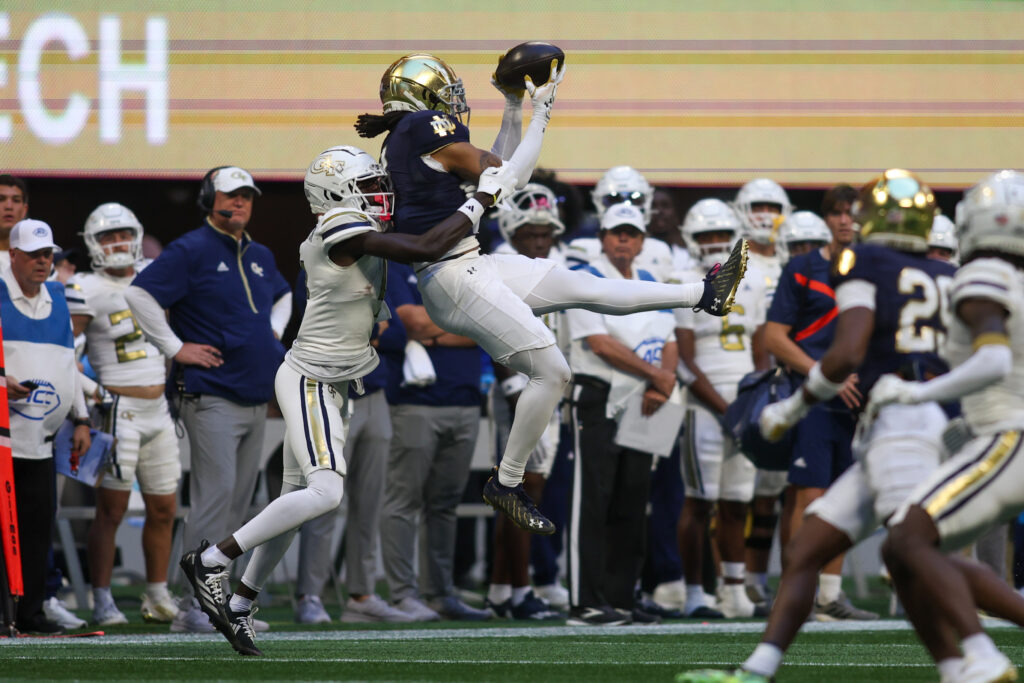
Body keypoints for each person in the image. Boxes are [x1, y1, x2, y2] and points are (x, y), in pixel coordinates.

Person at [355, 53, 747, 534]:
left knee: (583, 285)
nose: (454, 104)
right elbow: (511, 177)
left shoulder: (407, 136)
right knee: (553, 372)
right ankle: (508, 480)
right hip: (454, 275)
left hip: (471, 262)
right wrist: (541, 111)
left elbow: (496, 171)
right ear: (425, 96)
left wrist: (511, 108)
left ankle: (703, 294)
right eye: (447, 93)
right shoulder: (421, 126)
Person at [179, 149, 517, 655]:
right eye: (369, 183)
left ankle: (243, 603)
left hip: (336, 383)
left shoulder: (363, 228)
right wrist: (480, 200)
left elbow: (422, 230)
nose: (380, 191)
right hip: (310, 379)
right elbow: (423, 243)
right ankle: (211, 561)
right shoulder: (338, 229)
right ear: (336, 193)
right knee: (326, 493)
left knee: (294, 505)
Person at [677, 169, 975, 683]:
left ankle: (975, 657)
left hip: (894, 417)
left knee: (910, 548)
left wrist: (790, 409)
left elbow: (847, 352)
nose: (845, 222)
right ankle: (760, 667)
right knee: (821, 544)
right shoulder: (949, 274)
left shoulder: (867, 263)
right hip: (917, 415)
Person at [124, 166, 292, 633]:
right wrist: (176, 348)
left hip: (253, 395)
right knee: (214, 501)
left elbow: (284, 294)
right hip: (212, 394)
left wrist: (272, 332)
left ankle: (220, 604)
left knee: (239, 504)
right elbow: (139, 295)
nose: (239, 204)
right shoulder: (190, 249)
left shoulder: (256, 253)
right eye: (230, 196)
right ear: (209, 199)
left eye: (246, 197)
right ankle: (193, 607)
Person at [875, 170, 1024, 683]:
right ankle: (956, 665)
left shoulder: (987, 274)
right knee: (906, 545)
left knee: (908, 541)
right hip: (1004, 437)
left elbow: (994, 363)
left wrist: (917, 391)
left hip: (1007, 436)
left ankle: (978, 654)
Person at [759, 182, 875, 621]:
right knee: (809, 496)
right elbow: (774, 337)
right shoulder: (802, 267)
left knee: (849, 497)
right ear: (826, 219)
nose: (845, 220)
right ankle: (796, 595)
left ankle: (829, 596)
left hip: (860, 401)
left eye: (851, 212)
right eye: (837, 212)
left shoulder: (873, 267)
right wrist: (823, 376)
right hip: (811, 398)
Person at [65, 203, 181, 625]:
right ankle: (102, 596)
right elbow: (66, 353)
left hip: (159, 409)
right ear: (94, 244)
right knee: (111, 510)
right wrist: (96, 394)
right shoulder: (84, 287)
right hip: (118, 410)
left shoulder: (155, 273)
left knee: (164, 507)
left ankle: (156, 593)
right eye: (108, 237)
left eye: (123, 235)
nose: (118, 244)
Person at [565, 203, 679, 625]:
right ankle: (585, 601)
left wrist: (661, 379)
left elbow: (670, 337)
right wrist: (659, 376)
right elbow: (599, 344)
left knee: (634, 503)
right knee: (593, 502)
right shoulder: (582, 281)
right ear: (603, 238)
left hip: (646, 400)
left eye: (631, 233)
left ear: (642, 240)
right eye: (617, 232)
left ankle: (621, 599)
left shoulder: (650, 280)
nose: (624, 239)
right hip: (599, 396)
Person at [675, 198, 770, 619]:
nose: (713, 243)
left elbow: (762, 352)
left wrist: (752, 403)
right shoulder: (681, 280)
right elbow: (683, 359)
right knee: (700, 502)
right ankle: (695, 590)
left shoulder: (755, 280)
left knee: (737, 503)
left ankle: (735, 589)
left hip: (744, 408)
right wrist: (724, 408)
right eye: (705, 236)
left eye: (719, 235)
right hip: (705, 408)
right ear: (691, 240)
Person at [3, 219, 91, 634]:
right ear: (13, 255)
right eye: (34, 255)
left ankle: (31, 614)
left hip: (42, 441)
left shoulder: (58, 296)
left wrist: (83, 418)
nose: (43, 262)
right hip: (3, 442)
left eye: (47, 255)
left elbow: (68, 366)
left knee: (38, 531)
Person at [486, 184, 565, 621]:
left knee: (521, 492)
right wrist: (513, 385)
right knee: (520, 490)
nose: (540, 239)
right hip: (519, 389)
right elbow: (490, 326)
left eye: (545, 232)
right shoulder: (499, 265)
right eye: (531, 232)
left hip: (541, 388)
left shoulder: (546, 264)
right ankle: (521, 591)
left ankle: (500, 592)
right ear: (513, 229)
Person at [0, 175, 30, 270]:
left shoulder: (37, 259)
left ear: (24, 210)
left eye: (16, 200)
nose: (9, 206)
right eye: (1, 199)